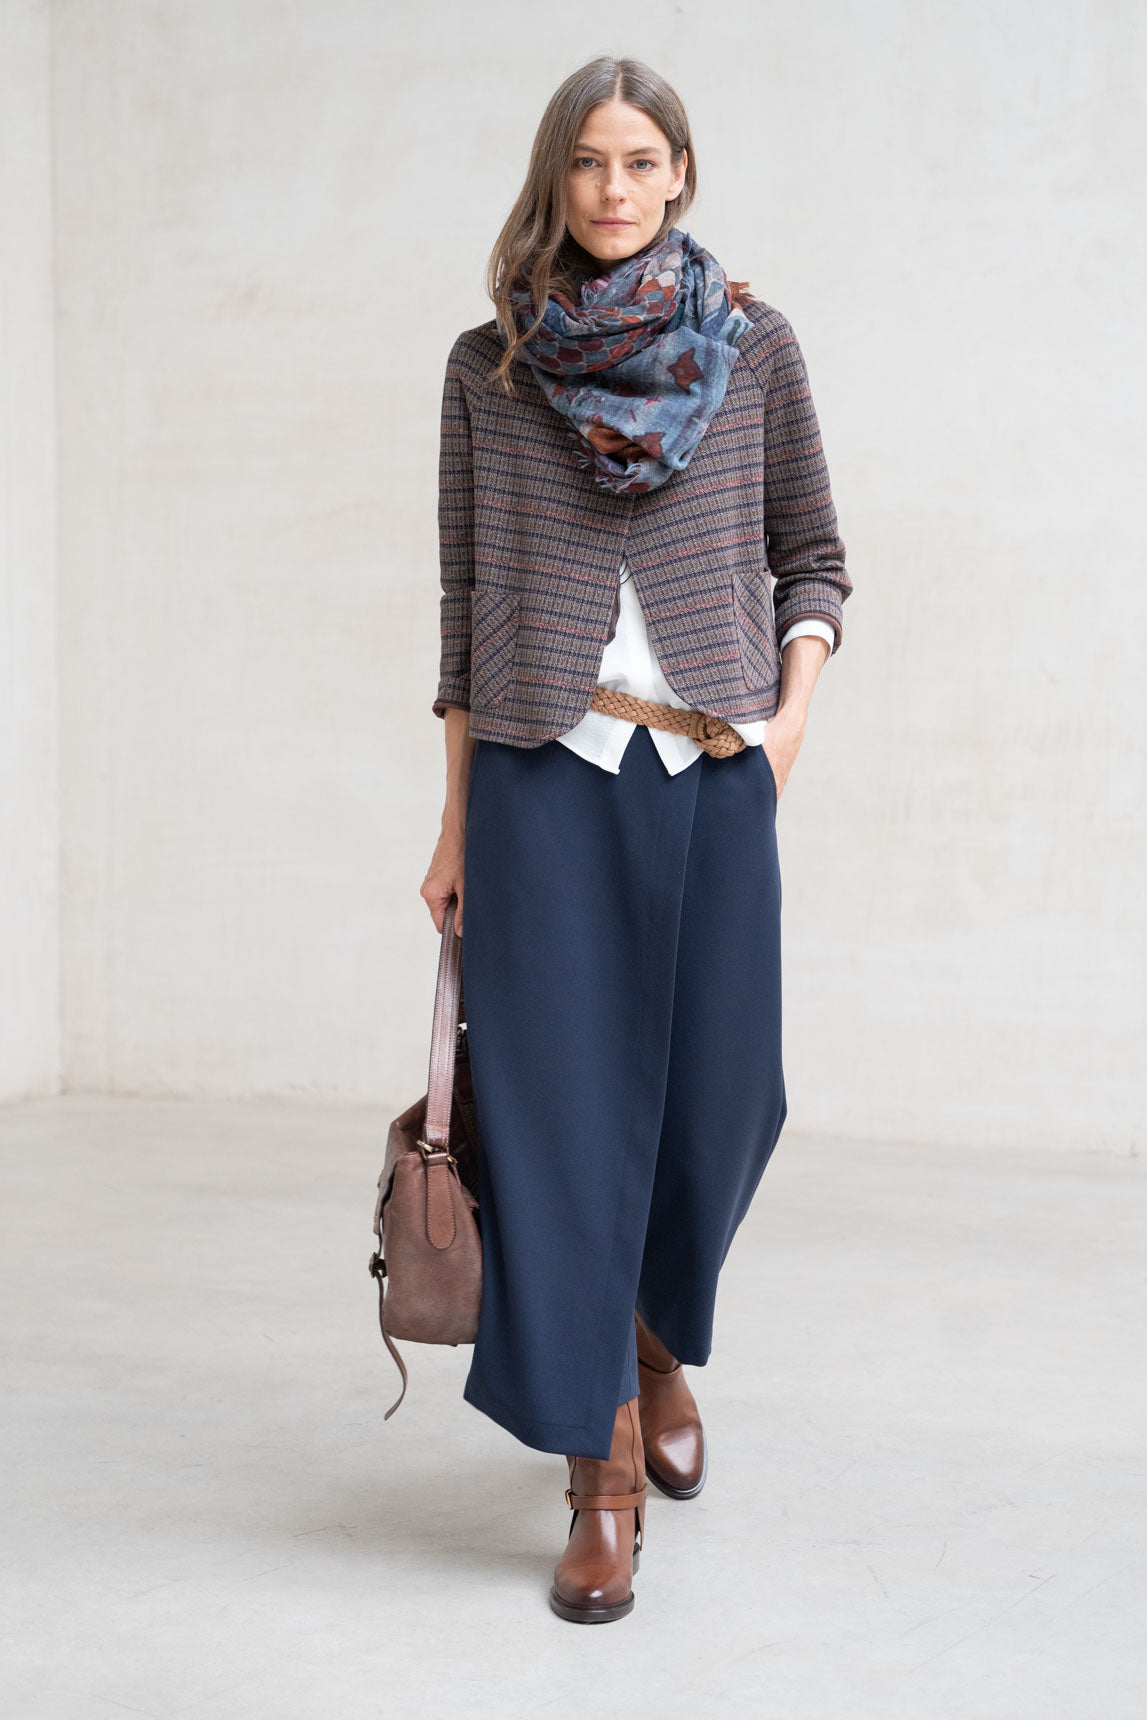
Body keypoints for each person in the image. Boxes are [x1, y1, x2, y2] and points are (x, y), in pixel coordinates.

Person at [420, 54, 852, 1624]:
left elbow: (814, 557)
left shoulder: (753, 345)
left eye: (641, 161)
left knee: (728, 1098)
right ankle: (598, 1472)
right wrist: (456, 819)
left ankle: (663, 1334)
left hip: (712, 765)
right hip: (539, 776)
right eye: (589, 162)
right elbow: (465, 604)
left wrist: (787, 725)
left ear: (680, 175)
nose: (614, 188)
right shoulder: (490, 365)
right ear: (558, 175)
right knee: (555, 1126)